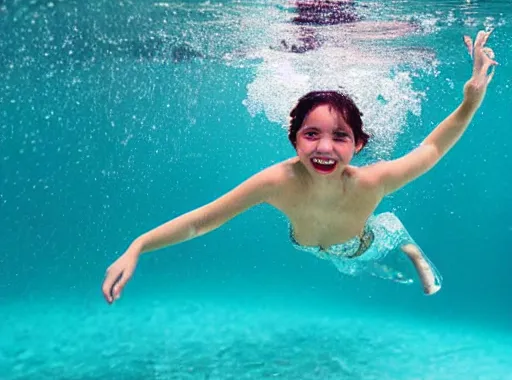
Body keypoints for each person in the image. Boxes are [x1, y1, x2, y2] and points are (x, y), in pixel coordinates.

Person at [102, 30, 497, 303]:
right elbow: (204, 220)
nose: (324, 148)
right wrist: (138, 246)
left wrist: (470, 102)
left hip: (361, 242)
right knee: (346, 268)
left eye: (340, 137)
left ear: (359, 145)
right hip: (318, 249)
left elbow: (430, 149)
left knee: (375, 246)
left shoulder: (372, 181)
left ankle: (409, 246)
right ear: (294, 140)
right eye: (312, 134)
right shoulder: (278, 181)